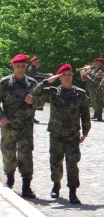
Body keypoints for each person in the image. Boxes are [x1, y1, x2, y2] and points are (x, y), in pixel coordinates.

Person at [32, 64, 91, 204]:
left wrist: (85, 131)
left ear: (72, 76)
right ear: (59, 77)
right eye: (64, 74)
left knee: (72, 163)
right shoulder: (53, 92)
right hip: (56, 133)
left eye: (69, 74)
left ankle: (72, 191)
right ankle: (56, 184)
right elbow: (34, 92)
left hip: (72, 134)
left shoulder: (80, 93)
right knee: (55, 161)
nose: (67, 76)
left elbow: (85, 114)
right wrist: (47, 81)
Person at [0, 54, 38, 199]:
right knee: (8, 153)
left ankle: (26, 186)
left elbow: (41, 102)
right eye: (17, 66)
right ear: (13, 66)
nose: (20, 68)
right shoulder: (4, 83)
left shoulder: (32, 83)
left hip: (26, 126)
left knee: (26, 155)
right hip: (8, 125)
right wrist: (1, 116)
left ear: (26, 66)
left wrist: (33, 100)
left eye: (23, 66)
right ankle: (9, 179)